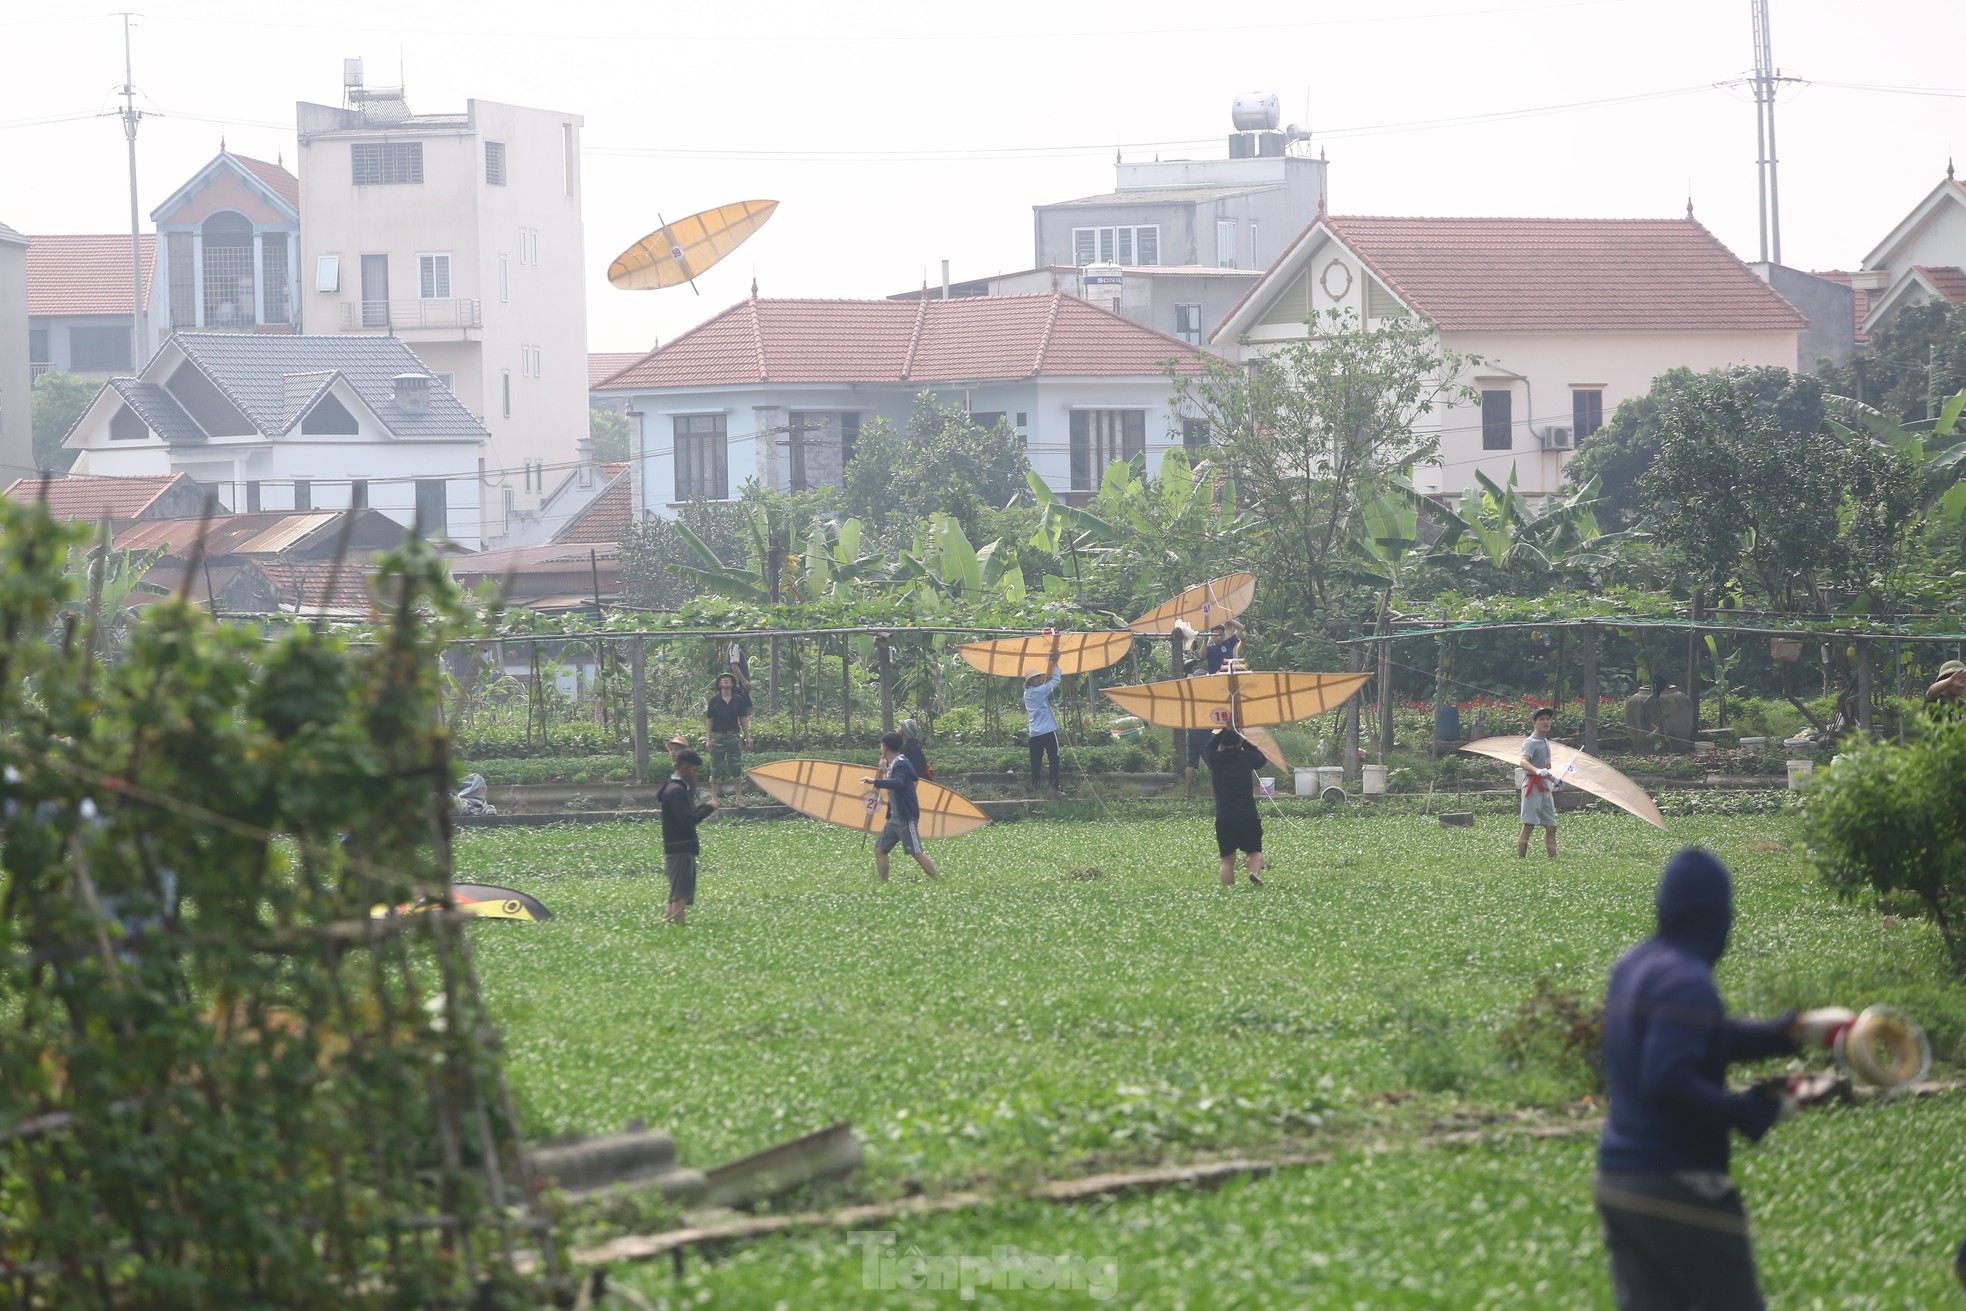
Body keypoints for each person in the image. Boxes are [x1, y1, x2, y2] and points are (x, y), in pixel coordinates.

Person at [1596, 847, 1855, 1310]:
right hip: (1680, 1184)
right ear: (1719, 917)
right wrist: (1752, 1111)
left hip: (1619, 1180)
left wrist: (1791, 1032)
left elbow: (1700, 1037)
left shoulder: (1635, 965)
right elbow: (1669, 1077)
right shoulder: (1687, 979)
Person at [863, 731, 942, 883]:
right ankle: (884, 884)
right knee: (880, 849)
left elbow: (898, 783)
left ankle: (939, 881)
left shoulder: (901, 763)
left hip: (906, 818)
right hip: (894, 819)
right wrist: (883, 771)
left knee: (916, 852)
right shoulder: (895, 764)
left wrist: (874, 781)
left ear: (885, 748)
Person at [656, 749, 718, 925]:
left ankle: (671, 925)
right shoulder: (676, 791)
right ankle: (677, 927)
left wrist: (702, 807)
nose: (694, 774)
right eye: (694, 770)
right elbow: (687, 820)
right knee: (681, 893)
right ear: (683, 767)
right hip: (680, 849)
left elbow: (685, 814)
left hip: (677, 848)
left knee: (677, 893)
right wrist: (708, 809)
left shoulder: (673, 788)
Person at [1204, 728, 1267, 886]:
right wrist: (1244, 740)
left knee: (1227, 860)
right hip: (1247, 813)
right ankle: (1254, 873)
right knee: (1254, 852)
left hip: (1225, 815)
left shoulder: (1215, 759)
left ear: (1222, 744)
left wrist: (1221, 733)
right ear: (1239, 742)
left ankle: (1228, 892)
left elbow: (1208, 749)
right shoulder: (1247, 757)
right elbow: (1262, 759)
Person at [704, 673, 752, 808]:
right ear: (719, 684)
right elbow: (709, 721)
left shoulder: (738, 700)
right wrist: (708, 739)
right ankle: (714, 799)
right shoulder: (714, 701)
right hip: (718, 736)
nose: (726, 680)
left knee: (736, 766)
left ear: (732, 683)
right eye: (722, 679)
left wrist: (747, 736)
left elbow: (743, 719)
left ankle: (739, 799)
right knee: (715, 767)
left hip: (733, 736)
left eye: (729, 679)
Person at [1023, 637, 1064, 796]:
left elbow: (1045, 684)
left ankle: (1035, 788)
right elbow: (1055, 680)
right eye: (1035, 678)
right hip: (1047, 731)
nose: (1037, 679)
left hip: (1034, 733)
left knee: (1036, 762)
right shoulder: (1040, 691)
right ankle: (1054, 788)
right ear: (1031, 682)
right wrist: (1055, 663)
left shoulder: (1027, 694)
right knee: (1054, 759)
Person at [1518, 707, 1559, 859]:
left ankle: (1553, 859)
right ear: (1534, 723)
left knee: (1551, 826)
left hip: (1545, 786)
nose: (1546, 722)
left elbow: (1545, 768)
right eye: (1542, 719)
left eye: (1548, 719)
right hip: (1532, 785)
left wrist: (1554, 779)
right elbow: (1523, 761)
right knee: (1529, 825)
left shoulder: (1545, 742)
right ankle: (1521, 860)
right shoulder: (1530, 742)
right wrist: (1536, 770)